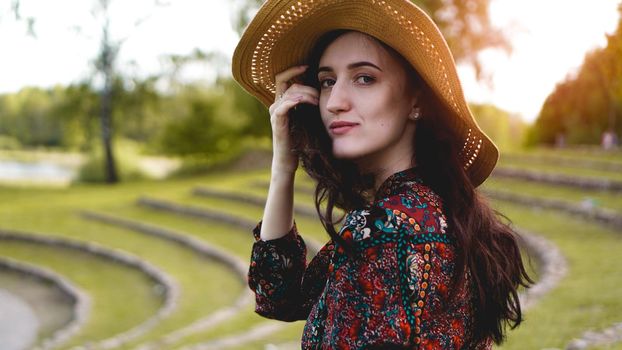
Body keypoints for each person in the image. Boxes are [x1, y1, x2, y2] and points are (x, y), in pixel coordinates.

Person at [232, 0, 533, 348]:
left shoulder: (383, 230)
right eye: (327, 81)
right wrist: (283, 166)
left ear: (416, 101)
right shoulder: (435, 212)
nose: (334, 102)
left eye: (364, 78)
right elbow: (279, 296)